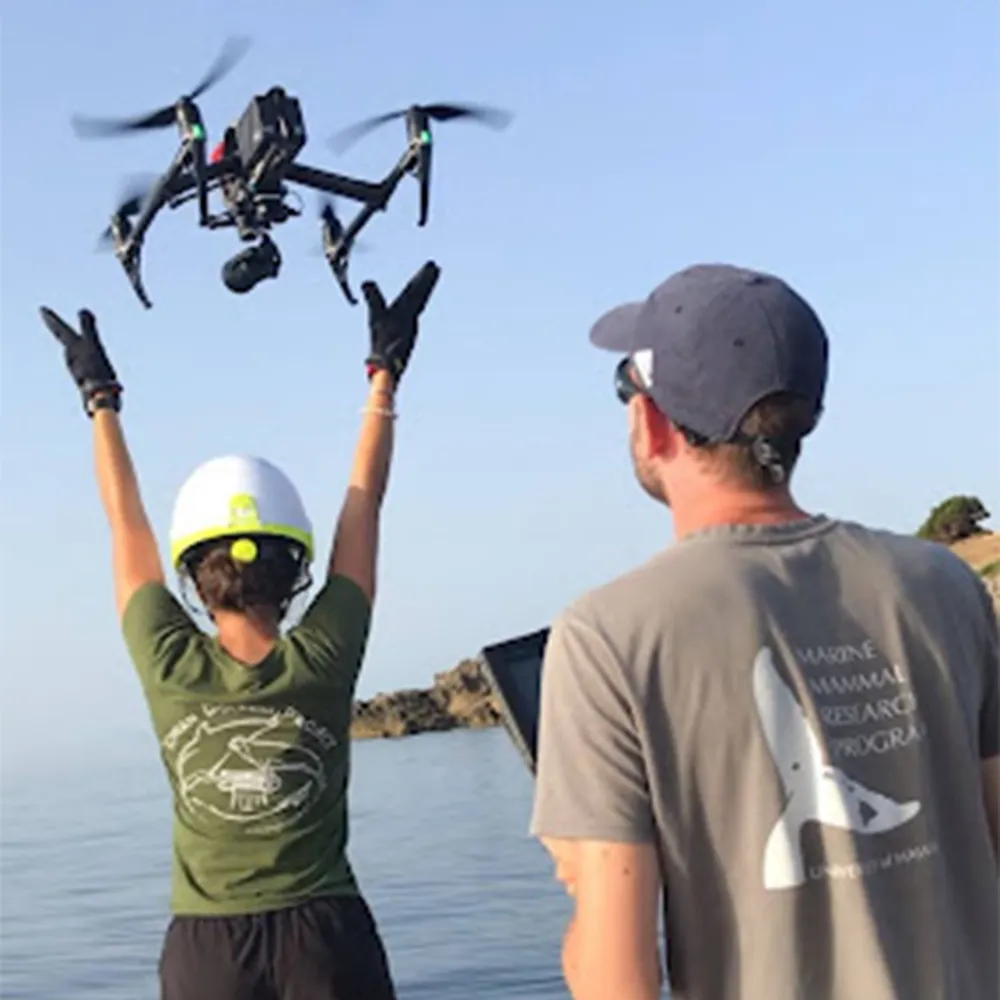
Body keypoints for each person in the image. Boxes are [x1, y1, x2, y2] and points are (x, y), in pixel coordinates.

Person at [528, 263, 999, 1000]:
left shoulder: (608, 638)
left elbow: (616, 979)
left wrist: (584, 879)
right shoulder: (946, 586)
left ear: (651, 421)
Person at [39, 260, 441, 1000]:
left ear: (191, 576)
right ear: (297, 575)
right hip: (329, 938)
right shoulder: (324, 657)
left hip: (207, 950)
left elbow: (122, 518)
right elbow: (364, 503)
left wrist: (100, 399)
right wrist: (383, 376)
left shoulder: (168, 663)